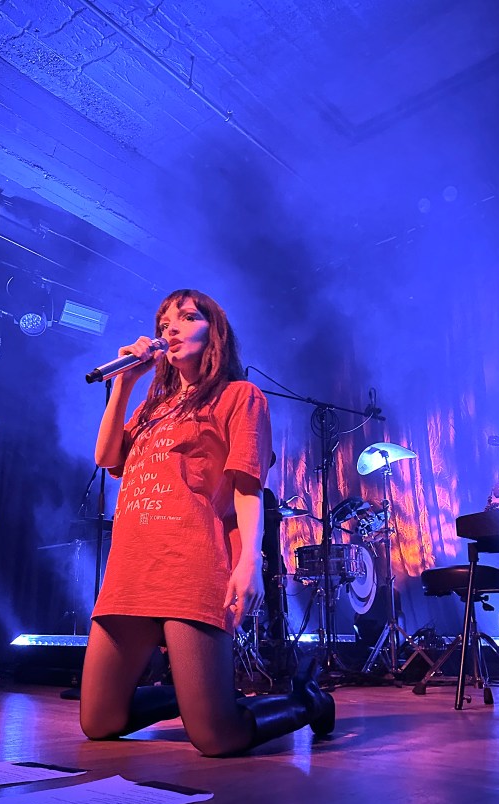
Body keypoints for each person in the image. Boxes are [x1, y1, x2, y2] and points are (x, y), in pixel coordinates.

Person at [79, 288, 335, 757]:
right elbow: (105, 456)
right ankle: (193, 696)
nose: (169, 330)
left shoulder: (240, 397)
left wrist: (248, 564)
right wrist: (124, 384)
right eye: (163, 324)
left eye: (186, 317)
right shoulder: (151, 409)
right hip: (130, 570)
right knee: (98, 721)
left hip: (189, 564)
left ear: (214, 331)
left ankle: (308, 701)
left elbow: (247, 486)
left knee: (218, 737)